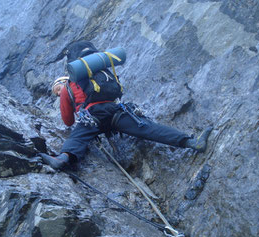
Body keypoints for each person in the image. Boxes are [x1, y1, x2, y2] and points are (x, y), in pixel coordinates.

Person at [39, 43, 212, 170]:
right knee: (148, 128)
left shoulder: (68, 87)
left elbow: (68, 121)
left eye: (57, 89)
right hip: (115, 111)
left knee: (77, 139)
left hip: (92, 118)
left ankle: (63, 159)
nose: (57, 92)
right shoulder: (101, 72)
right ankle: (192, 142)